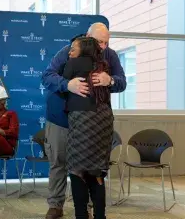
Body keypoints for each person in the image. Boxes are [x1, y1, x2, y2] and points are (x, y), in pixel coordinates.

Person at [41, 22, 126, 219]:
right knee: (59, 162)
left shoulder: (110, 55)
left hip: (91, 121)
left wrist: (110, 80)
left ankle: (86, 208)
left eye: (106, 42)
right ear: (87, 37)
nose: (102, 46)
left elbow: (122, 82)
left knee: (88, 167)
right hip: (60, 118)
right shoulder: (69, 51)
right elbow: (47, 76)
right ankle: (55, 204)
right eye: (99, 41)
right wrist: (67, 84)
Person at [63, 37, 112, 219]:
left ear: (83, 49)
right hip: (104, 121)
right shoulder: (104, 64)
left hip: (82, 120)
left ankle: (81, 215)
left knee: (77, 171)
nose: (70, 52)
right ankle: (100, 216)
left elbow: (61, 86)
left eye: (73, 48)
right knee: (97, 171)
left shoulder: (73, 63)